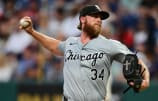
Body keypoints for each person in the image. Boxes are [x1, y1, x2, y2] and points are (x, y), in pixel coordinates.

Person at [19, 5, 150, 101]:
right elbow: (54, 46)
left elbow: (136, 60)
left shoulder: (109, 45)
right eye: (95, 16)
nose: (99, 20)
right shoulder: (70, 43)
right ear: (83, 19)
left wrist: (146, 81)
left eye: (100, 18)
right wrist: (32, 32)